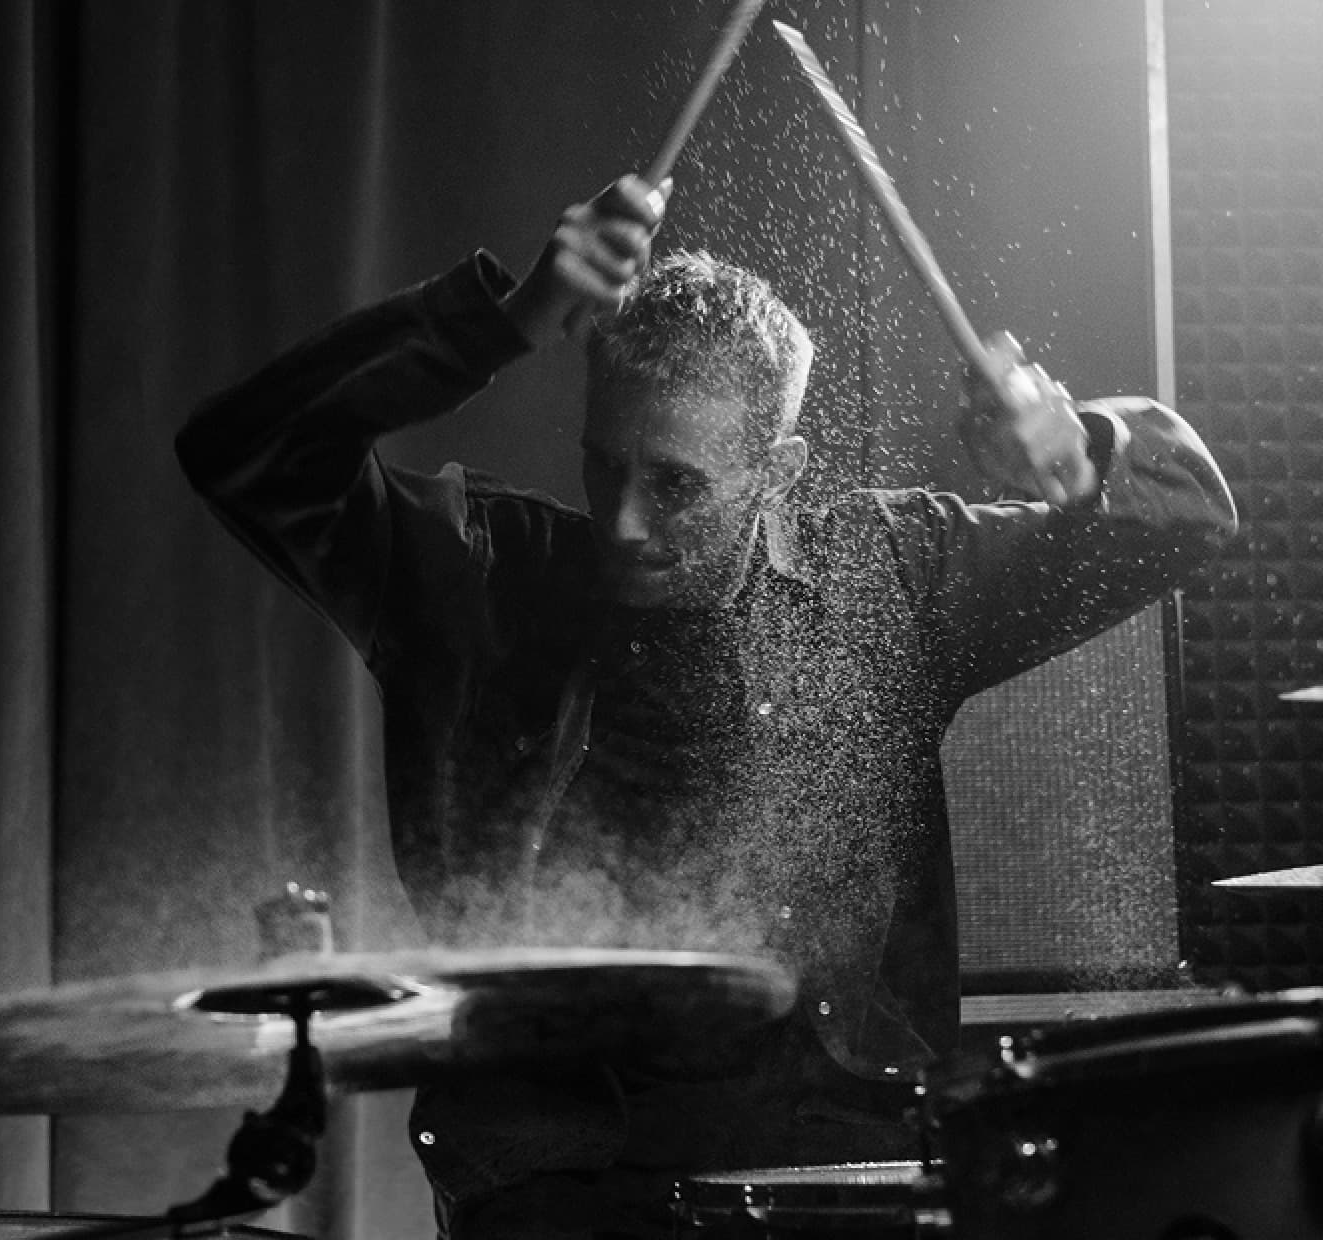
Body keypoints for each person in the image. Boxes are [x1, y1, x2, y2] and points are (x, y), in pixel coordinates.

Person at [175, 173, 1237, 1239]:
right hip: (559, 1187)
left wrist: (1085, 449)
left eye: (676, 484)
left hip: (843, 1168)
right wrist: (503, 321)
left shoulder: (886, 577)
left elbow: (1188, 513)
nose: (627, 523)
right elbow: (243, 451)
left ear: (778, 469)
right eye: (605, 469)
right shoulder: (475, 575)